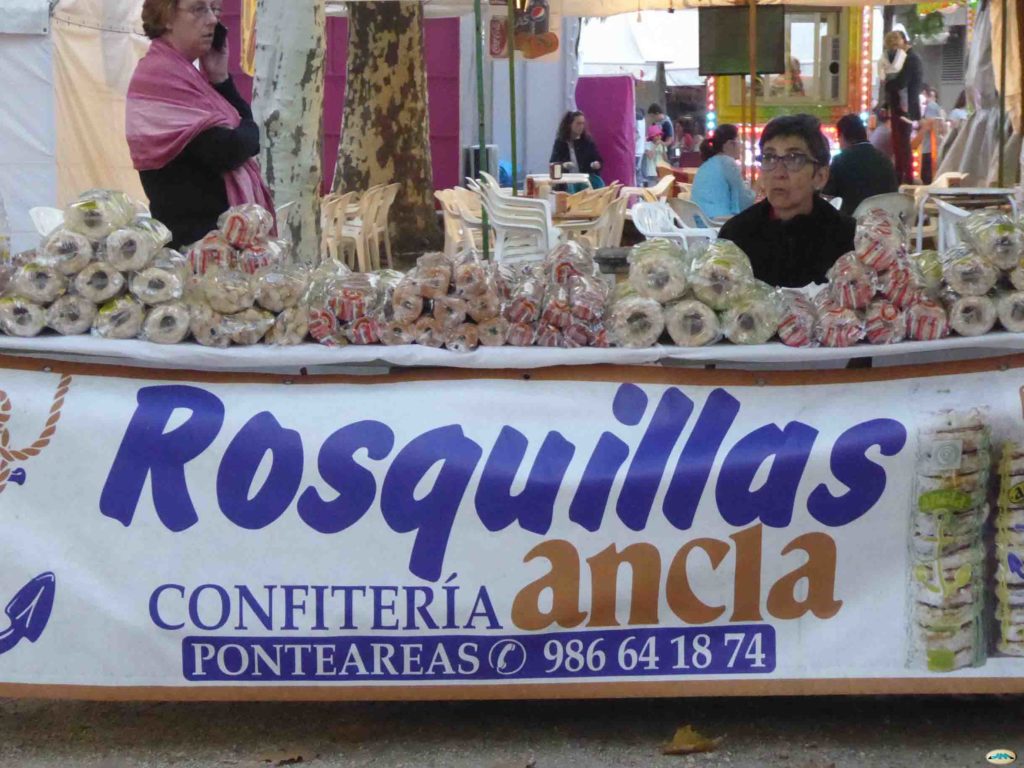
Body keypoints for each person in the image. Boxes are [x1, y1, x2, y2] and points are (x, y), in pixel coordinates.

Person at [126, 0, 274, 249]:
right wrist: (249, 132)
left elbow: (243, 138)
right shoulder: (159, 76)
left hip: (218, 245)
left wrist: (221, 79)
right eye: (198, 9)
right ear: (166, 18)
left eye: (214, 9)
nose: (213, 20)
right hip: (193, 249)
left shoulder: (190, 77)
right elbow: (229, 150)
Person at [718, 114, 855, 288]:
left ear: (820, 176)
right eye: (769, 158)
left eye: (794, 159)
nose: (778, 173)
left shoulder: (847, 238)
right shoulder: (736, 235)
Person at [823, 114, 898, 217]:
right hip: (884, 225)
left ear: (842, 136)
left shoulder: (840, 161)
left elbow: (828, 198)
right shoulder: (885, 160)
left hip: (851, 226)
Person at [691, 124, 755, 218]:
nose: (741, 146)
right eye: (739, 141)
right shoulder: (728, 163)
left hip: (699, 222)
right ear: (730, 143)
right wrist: (760, 182)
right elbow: (745, 203)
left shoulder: (709, 163)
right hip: (717, 222)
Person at [885, 30, 923, 184]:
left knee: (902, 146)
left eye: (895, 43)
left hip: (905, 109)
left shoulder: (910, 59)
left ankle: (905, 178)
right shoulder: (910, 58)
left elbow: (901, 83)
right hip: (903, 107)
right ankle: (902, 176)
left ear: (903, 41)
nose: (894, 48)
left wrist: (888, 84)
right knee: (901, 145)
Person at [550, 110, 605, 188]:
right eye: (578, 123)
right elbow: (553, 163)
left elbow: (598, 160)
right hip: (566, 181)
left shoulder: (587, 141)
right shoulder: (561, 142)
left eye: (583, 123)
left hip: (584, 180)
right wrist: (563, 165)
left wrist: (596, 164)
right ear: (569, 125)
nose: (581, 126)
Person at [915, 86, 946, 185]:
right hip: (925, 149)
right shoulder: (930, 106)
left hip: (926, 149)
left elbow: (931, 125)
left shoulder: (930, 106)